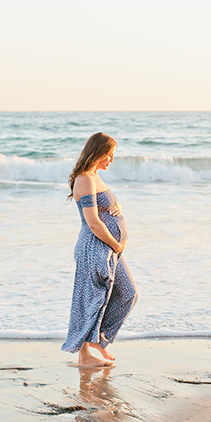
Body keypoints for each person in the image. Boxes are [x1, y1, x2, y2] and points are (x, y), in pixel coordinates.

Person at [61, 132, 138, 367]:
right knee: (91, 299)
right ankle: (85, 356)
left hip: (108, 248)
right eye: (110, 155)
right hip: (94, 248)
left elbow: (104, 208)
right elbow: (93, 222)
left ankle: (100, 339)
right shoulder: (85, 179)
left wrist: (116, 207)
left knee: (128, 293)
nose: (111, 160)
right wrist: (116, 244)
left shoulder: (94, 178)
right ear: (99, 152)